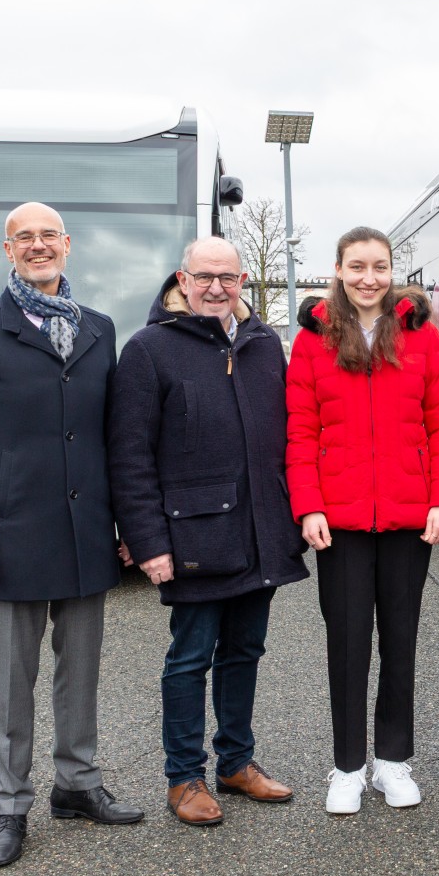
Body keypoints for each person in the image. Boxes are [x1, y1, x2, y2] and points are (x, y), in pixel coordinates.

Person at [0, 202, 143, 868]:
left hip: (85, 531)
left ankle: (77, 785)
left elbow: (114, 438)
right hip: (9, 534)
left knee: (79, 674)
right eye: (23, 237)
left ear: (67, 244)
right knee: (10, 683)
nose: (37, 246)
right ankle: (10, 806)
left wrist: (128, 525)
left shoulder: (99, 330)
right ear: (7, 250)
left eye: (47, 235)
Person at [108, 237, 307, 826]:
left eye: (228, 277)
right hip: (192, 537)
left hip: (260, 532)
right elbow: (130, 456)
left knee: (245, 651)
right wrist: (149, 543)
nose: (217, 287)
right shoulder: (148, 350)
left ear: (243, 280)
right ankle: (184, 778)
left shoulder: (265, 344)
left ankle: (236, 763)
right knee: (190, 658)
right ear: (182, 278)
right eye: (205, 276)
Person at [286, 227, 439, 815]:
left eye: (379, 267)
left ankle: (393, 762)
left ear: (392, 271)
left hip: (410, 518)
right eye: (356, 266)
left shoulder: (422, 335)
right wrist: (308, 504)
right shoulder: (312, 340)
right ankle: (347, 767)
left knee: (402, 642)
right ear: (337, 269)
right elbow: (301, 430)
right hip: (339, 521)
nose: (368, 278)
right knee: (347, 644)